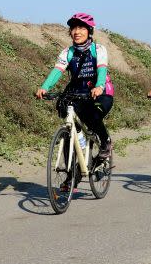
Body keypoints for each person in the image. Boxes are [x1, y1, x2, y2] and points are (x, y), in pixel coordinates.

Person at [35, 13, 115, 160]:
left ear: (89, 30)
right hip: (77, 93)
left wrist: (99, 86)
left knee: (94, 116)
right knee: (68, 121)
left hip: (101, 93)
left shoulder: (98, 49)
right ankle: (73, 172)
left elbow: (102, 70)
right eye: (73, 28)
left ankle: (105, 143)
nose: (77, 32)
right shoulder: (67, 53)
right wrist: (44, 87)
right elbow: (57, 71)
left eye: (81, 28)